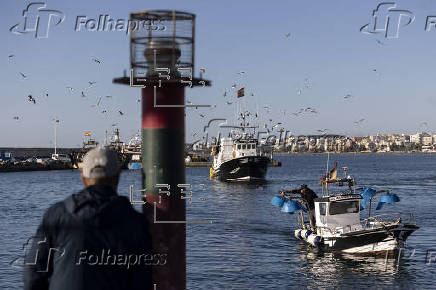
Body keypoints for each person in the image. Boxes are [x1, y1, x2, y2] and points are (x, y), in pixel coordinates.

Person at [24, 147, 152, 290]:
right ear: (118, 177)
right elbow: (143, 280)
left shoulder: (57, 214)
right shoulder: (136, 223)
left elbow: (33, 273)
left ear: (83, 179)